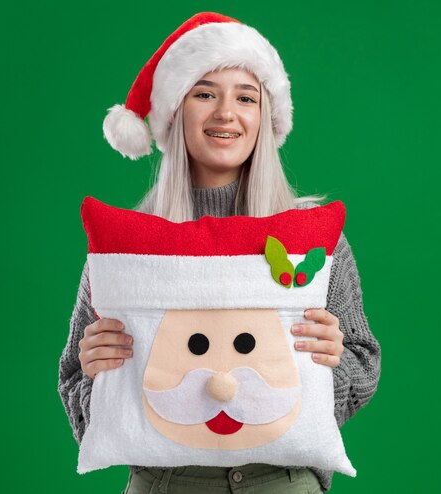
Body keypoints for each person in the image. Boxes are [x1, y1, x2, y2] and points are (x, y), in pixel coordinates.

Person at [58, 12, 381, 493]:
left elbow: (363, 363)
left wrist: (326, 366)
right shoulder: (127, 245)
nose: (226, 113)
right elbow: (74, 387)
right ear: (175, 112)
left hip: (282, 484)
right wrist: (96, 371)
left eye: (245, 97)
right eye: (205, 93)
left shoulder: (310, 238)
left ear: (264, 119)